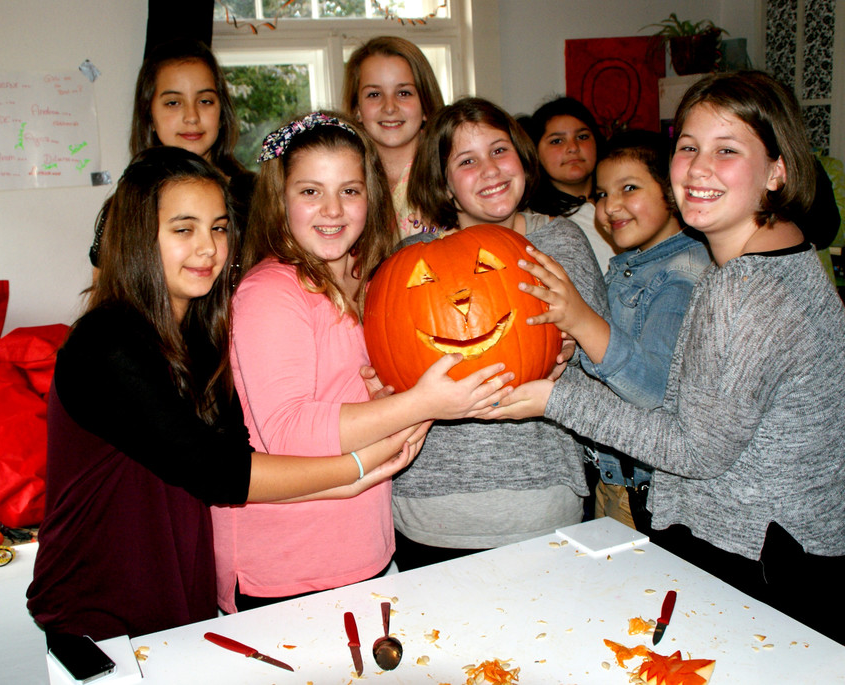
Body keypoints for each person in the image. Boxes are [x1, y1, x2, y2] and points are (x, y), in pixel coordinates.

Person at [489, 71, 845, 634]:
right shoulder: (780, 253)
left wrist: (554, 400)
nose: (698, 169)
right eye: (689, 147)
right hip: (810, 534)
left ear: (777, 170)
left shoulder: (743, 290)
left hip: (773, 553)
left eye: (727, 150)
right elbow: (696, 402)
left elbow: (694, 450)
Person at [27, 147, 426, 642]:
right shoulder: (107, 343)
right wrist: (355, 470)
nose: (208, 248)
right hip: (97, 606)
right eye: (184, 229)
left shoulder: (199, 334)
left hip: (178, 599)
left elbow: (239, 456)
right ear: (137, 236)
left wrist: (351, 472)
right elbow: (217, 471)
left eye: (218, 228)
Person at [212, 112, 513, 612]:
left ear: (371, 196)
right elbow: (288, 430)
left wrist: (387, 397)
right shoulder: (271, 292)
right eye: (311, 191)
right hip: (286, 569)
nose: (332, 209)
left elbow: (347, 398)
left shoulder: (363, 280)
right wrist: (420, 404)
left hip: (362, 549)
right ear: (279, 197)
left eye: (349, 191)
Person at [389, 97, 608, 570]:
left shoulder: (560, 243)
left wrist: (574, 353)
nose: (489, 170)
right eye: (466, 161)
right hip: (430, 512)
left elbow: (606, 369)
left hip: (541, 504)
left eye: (498, 150)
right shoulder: (409, 261)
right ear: (443, 183)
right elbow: (394, 368)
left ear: (522, 158)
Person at [575, 130, 711, 531]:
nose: (610, 206)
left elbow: (653, 388)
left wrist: (581, 321)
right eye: (602, 194)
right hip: (612, 475)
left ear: (672, 191)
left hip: (643, 490)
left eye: (629, 188)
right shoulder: (631, 266)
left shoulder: (680, 277)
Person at [89, 38, 255, 267]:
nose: (192, 116)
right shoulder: (126, 204)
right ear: (149, 115)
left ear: (222, 113)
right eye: (173, 103)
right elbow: (105, 285)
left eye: (205, 101)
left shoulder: (257, 197)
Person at [343, 36, 444, 240]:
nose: (389, 107)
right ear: (357, 109)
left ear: (425, 104)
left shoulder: (450, 174)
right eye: (374, 94)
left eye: (404, 93)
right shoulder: (342, 180)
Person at [524, 96, 616, 271]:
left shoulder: (624, 201)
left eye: (582, 137)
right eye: (557, 141)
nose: (573, 147)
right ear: (535, 151)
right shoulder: (538, 225)